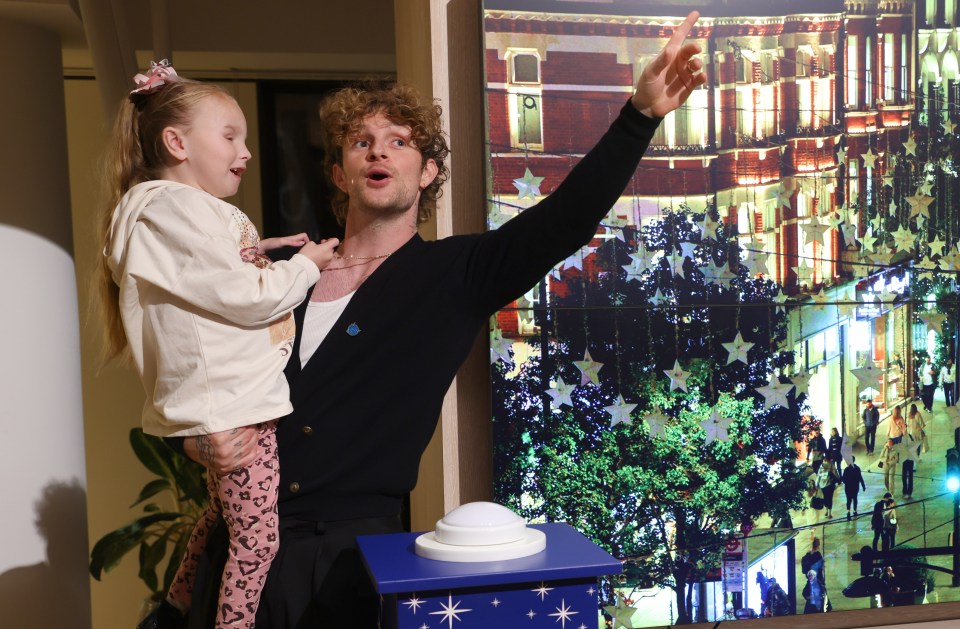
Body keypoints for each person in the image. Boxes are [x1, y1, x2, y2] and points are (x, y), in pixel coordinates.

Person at [179, 12, 709, 629]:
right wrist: (194, 439)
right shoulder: (282, 274)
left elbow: (565, 219)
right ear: (338, 172)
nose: (379, 150)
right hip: (237, 555)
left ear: (427, 172)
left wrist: (639, 117)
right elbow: (190, 365)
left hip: (345, 566)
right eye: (360, 142)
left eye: (400, 142)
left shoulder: (455, 274)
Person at [96, 61, 339, 629]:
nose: (245, 151)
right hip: (234, 406)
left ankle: (177, 605)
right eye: (230, 135)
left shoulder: (171, 211)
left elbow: (206, 279)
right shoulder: (171, 207)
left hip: (230, 404)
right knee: (257, 544)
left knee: (221, 516)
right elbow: (243, 298)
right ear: (175, 141)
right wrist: (303, 266)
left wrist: (264, 249)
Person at [842, 454, 866, 519]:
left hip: (848, 488)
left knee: (848, 499)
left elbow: (843, 479)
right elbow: (860, 478)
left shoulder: (846, 470)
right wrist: (863, 486)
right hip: (855, 487)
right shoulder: (857, 469)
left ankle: (848, 512)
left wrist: (847, 482)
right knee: (855, 498)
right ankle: (855, 511)